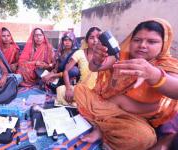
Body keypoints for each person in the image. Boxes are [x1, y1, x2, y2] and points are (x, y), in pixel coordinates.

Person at [74, 19, 178, 149]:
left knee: (143, 138)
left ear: (164, 44)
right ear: (131, 40)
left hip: (137, 118)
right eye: (137, 40)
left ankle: (101, 127)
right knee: (80, 90)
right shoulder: (122, 56)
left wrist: (154, 75)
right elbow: (95, 68)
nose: (142, 45)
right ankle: (104, 126)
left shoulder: (168, 65)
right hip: (109, 106)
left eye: (152, 41)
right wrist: (96, 60)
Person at [55, 27, 100, 106]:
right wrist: (68, 89)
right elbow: (65, 71)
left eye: (98, 37)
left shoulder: (105, 56)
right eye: (91, 38)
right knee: (60, 90)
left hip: (98, 91)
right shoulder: (79, 53)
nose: (95, 40)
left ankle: (81, 103)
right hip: (81, 89)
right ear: (86, 40)